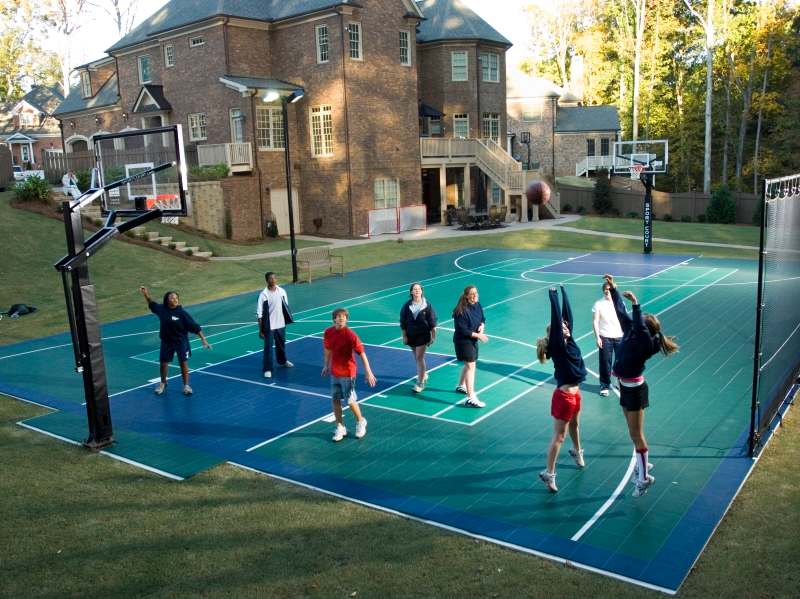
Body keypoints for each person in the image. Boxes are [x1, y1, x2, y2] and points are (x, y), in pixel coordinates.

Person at [604, 274, 679, 498]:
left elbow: (637, 322)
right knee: (633, 433)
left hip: (635, 391)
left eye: (642, 319)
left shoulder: (645, 342)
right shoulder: (633, 332)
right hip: (625, 387)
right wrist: (614, 289)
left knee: (637, 435)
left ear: (645, 328)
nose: (637, 319)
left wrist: (636, 303)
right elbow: (621, 313)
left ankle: (644, 478)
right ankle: (642, 460)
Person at [535, 286, 587, 493]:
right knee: (559, 437)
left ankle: (577, 451)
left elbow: (567, 317)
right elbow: (558, 319)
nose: (566, 326)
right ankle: (549, 474)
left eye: (566, 326)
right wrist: (553, 296)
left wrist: (565, 294)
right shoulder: (558, 347)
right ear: (556, 333)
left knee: (575, 425)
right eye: (562, 327)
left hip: (576, 394)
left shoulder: (570, 340)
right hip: (564, 397)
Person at [139, 286, 211, 396]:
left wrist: (204, 340)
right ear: (167, 300)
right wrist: (145, 294)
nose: (175, 299)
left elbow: (195, 327)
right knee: (163, 363)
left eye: (176, 298)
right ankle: (163, 383)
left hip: (180, 342)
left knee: (183, 363)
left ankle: (186, 386)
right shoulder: (162, 310)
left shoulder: (182, 313)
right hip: (166, 342)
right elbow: (152, 304)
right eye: (172, 298)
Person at [322, 308, 377, 442]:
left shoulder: (350, 335)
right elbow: (328, 349)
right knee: (335, 400)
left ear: (346, 319)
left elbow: (362, 353)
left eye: (344, 316)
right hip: (335, 372)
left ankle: (361, 421)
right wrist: (326, 365)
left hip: (348, 372)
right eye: (338, 316)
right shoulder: (328, 332)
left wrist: (368, 372)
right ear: (334, 319)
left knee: (350, 401)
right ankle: (340, 426)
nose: (341, 318)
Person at [452, 285, 488, 408]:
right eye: (472, 293)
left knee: (469, 365)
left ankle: (461, 385)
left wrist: (482, 326)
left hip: (473, 340)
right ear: (467, 296)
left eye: (476, 292)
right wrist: (479, 336)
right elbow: (463, 330)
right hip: (463, 342)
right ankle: (471, 398)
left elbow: (482, 318)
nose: (475, 295)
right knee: (471, 366)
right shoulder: (461, 311)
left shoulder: (477, 305)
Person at [400, 282, 438, 393]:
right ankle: (423, 374)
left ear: (421, 291)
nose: (417, 291)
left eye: (419, 289)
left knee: (419, 357)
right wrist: (404, 336)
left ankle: (420, 383)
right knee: (416, 357)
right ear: (411, 292)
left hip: (423, 335)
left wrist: (433, 337)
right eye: (415, 289)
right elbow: (403, 322)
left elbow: (432, 322)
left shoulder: (427, 305)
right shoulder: (407, 306)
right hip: (411, 335)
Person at [256, 271, 294, 379]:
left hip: (281, 324)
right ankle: (267, 369)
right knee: (268, 348)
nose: (273, 280)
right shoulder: (263, 295)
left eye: (274, 278)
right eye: (270, 278)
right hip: (269, 326)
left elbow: (286, 307)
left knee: (281, 345)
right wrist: (261, 330)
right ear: (267, 280)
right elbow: (259, 314)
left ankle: (282, 361)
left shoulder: (282, 291)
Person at [592, 279, 624, 396]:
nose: (607, 291)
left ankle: (619, 382)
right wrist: (597, 337)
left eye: (609, 289)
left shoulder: (619, 302)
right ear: (603, 290)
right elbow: (595, 321)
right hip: (605, 337)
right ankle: (604, 385)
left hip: (619, 336)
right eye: (605, 289)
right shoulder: (598, 304)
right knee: (605, 362)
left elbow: (624, 319)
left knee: (621, 362)